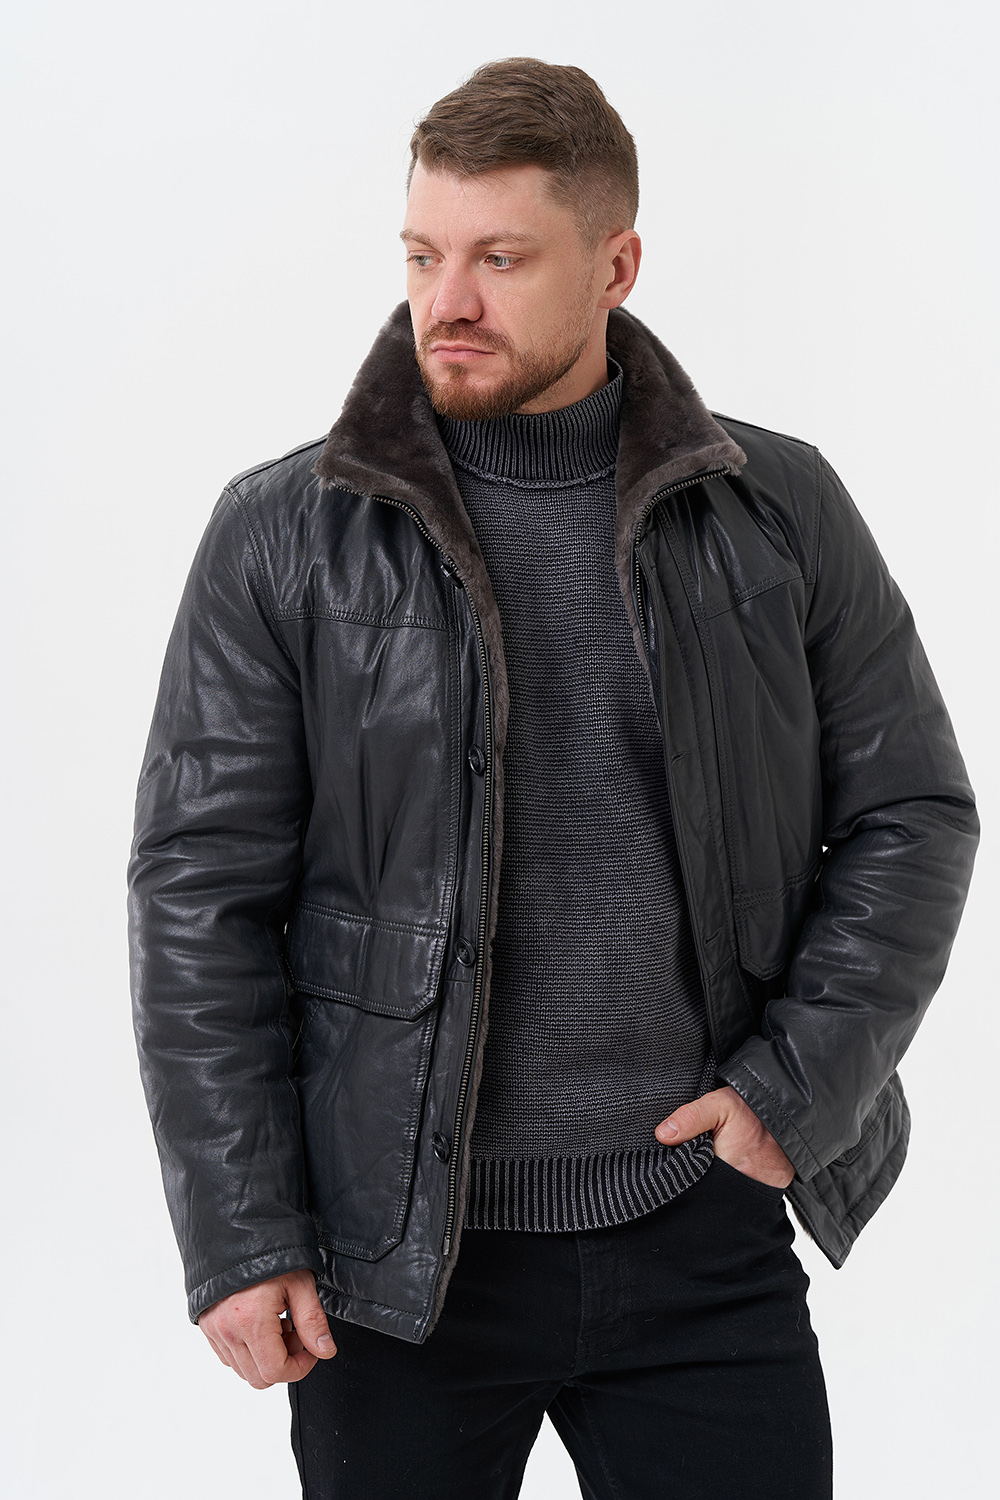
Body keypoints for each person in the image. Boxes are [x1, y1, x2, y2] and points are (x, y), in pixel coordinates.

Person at [128, 57, 978, 1500]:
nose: (446, 301)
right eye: (423, 255)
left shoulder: (777, 509)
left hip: (700, 1232)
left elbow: (913, 812)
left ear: (616, 266)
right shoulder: (282, 535)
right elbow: (199, 896)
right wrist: (241, 1229)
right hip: (395, 1265)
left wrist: (796, 1087)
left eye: (501, 259)